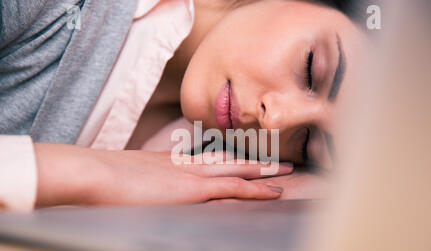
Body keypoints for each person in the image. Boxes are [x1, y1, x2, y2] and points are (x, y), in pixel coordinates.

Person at [0, 0, 366, 211]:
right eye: (309, 69)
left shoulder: (203, 170)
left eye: (308, 142)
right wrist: (92, 172)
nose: (276, 124)